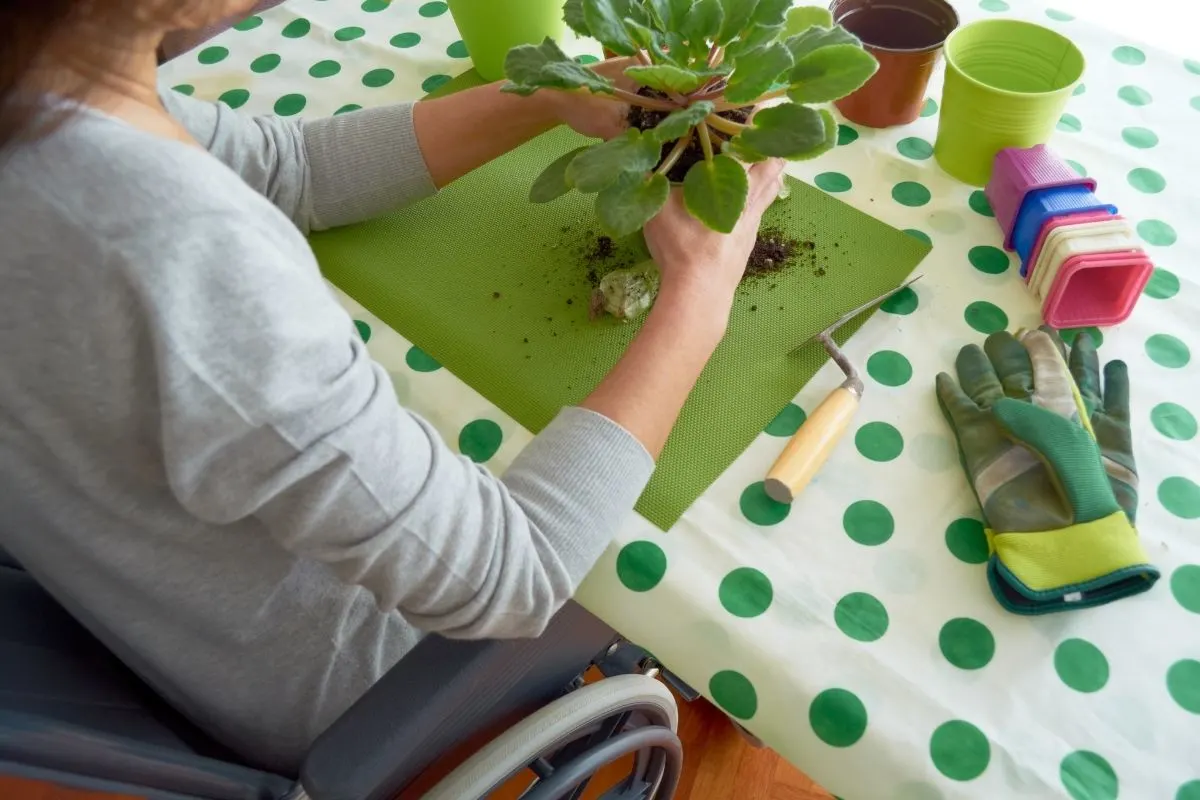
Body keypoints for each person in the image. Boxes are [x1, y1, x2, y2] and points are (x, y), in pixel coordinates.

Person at [0, 0, 784, 772]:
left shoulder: (44, 89)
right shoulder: (174, 254)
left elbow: (284, 167)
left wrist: (551, 91)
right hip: (372, 676)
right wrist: (699, 293)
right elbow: (511, 577)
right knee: (707, 556)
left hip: (166, 611)